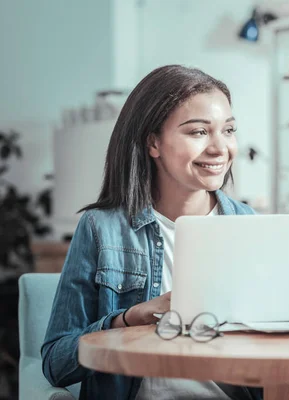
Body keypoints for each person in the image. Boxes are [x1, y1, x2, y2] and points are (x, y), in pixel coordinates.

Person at [42, 65, 260, 400]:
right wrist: (127, 320)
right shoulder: (104, 229)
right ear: (153, 142)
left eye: (228, 130)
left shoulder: (250, 226)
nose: (220, 148)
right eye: (199, 132)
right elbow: (57, 363)